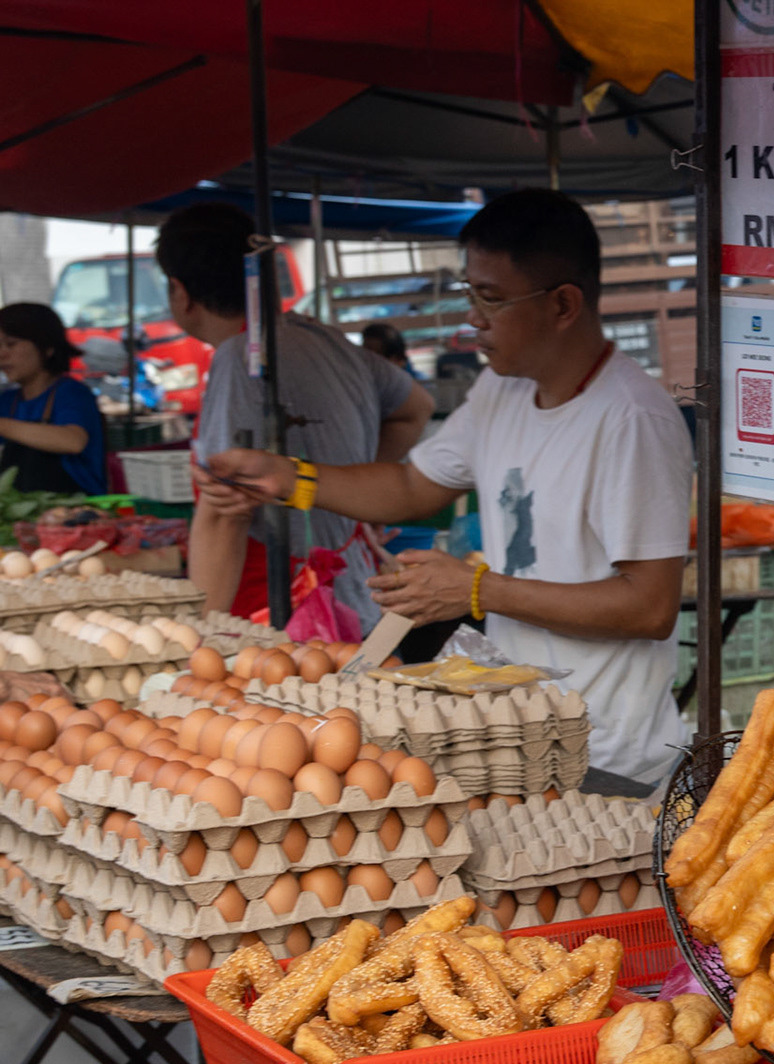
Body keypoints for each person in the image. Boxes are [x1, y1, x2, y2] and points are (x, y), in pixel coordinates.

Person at [197, 189, 692, 787]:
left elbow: (649, 606)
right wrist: (291, 478)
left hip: (607, 749)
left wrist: (477, 590)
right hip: (518, 732)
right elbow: (412, 486)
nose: (474, 318)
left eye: (491, 298)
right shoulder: (501, 389)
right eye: (469, 294)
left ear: (563, 304)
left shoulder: (633, 419)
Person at [157, 202, 434, 631]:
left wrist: (203, 634)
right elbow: (416, 408)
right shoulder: (327, 339)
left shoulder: (240, 361)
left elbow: (226, 510)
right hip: (353, 591)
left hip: (282, 614)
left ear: (180, 291)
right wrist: (360, 495)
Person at [0, 302, 107, 495]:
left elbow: (72, 442)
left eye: (11, 344)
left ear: (47, 347)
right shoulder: (7, 401)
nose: (2, 354)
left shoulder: (72, 393)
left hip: (77, 507)